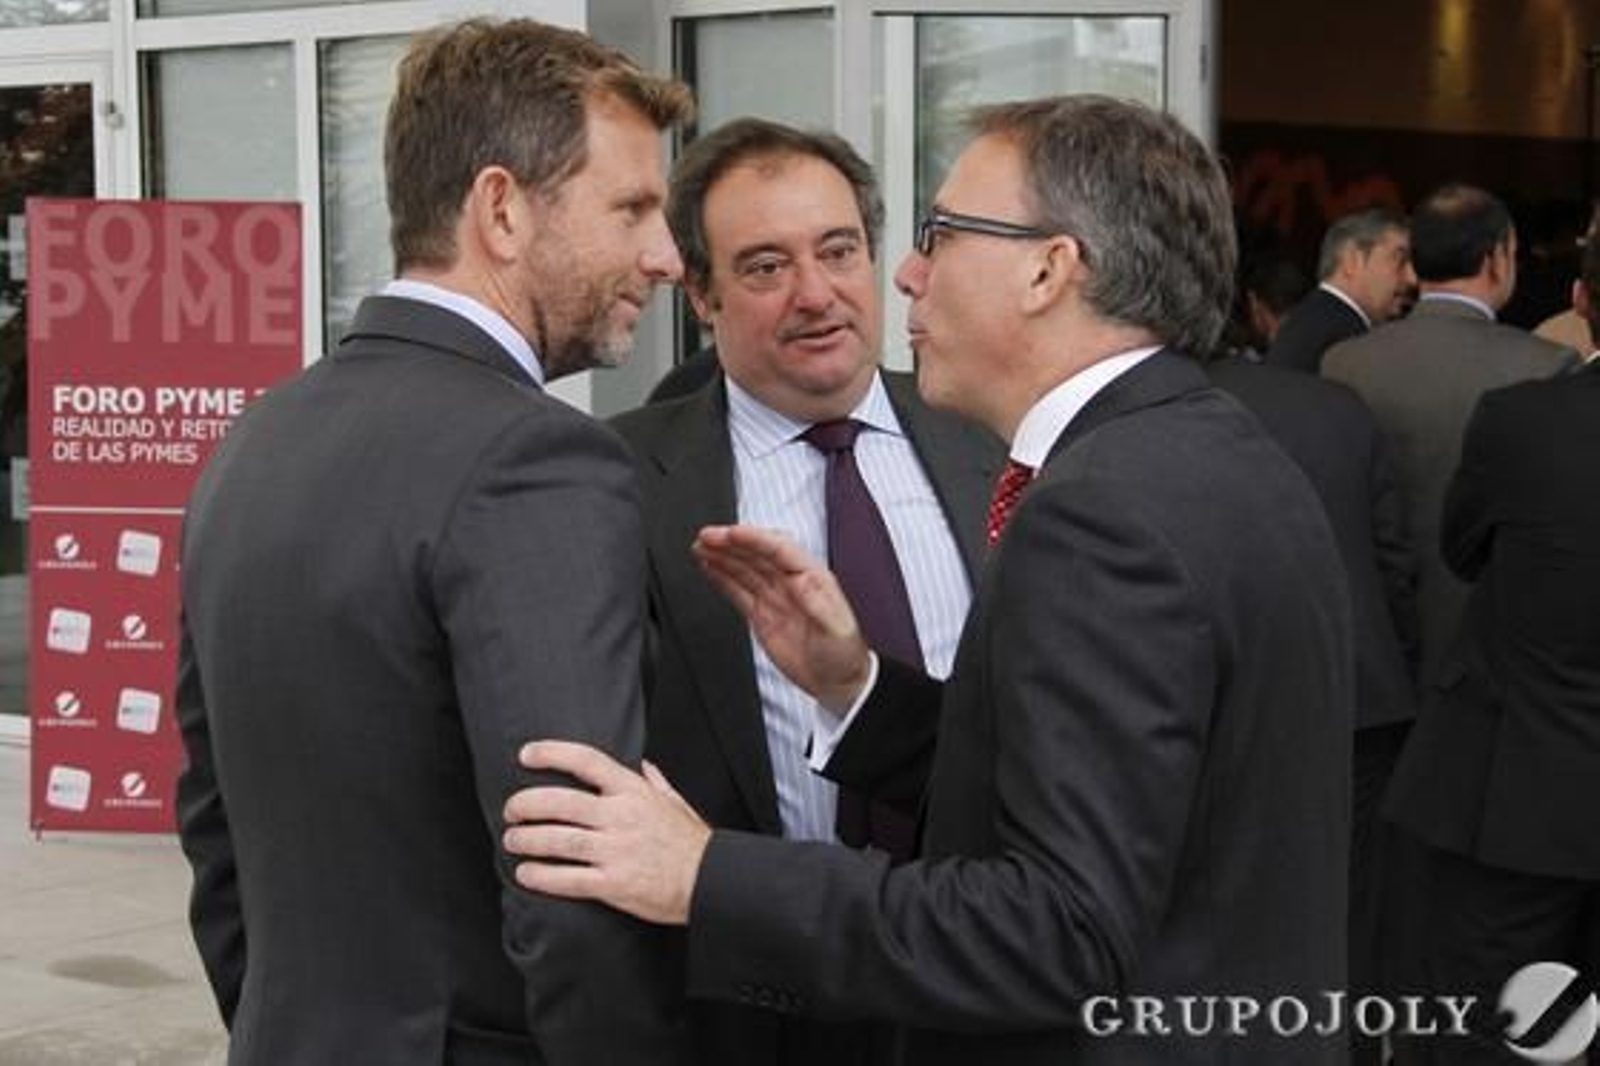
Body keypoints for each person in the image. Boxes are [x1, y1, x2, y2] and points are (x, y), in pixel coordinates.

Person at [504, 95, 1354, 1065]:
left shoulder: (1096, 510)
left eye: (941, 235)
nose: (904, 272)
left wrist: (705, 873)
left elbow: (1057, 927)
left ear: (1048, 268)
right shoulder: (1215, 451)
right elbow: (1108, 781)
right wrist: (856, 690)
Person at [174, 19, 692, 1065]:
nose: (667, 258)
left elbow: (214, 831)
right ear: (500, 209)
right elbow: (572, 878)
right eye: (631, 207)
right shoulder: (538, 460)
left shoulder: (259, 435)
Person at [610, 117, 1000, 1065]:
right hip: (746, 1006)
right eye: (765, 267)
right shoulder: (615, 478)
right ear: (699, 293)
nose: (817, 295)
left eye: (838, 251)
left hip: (979, 980)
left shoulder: (995, 444)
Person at [1380, 226, 1600, 1064]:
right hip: (1529, 779)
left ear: (1581, 303)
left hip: (1525, 788)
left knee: (1501, 1025)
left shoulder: (1524, 419)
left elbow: (1462, 550)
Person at [1205, 354, 1419, 1066]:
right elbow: (1395, 558)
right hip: (1361, 698)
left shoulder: (1157, 416)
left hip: (1225, 707)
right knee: (1348, 905)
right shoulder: (1339, 405)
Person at [1322, 184, 1580, 690]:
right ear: (1496, 260)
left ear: (1415, 264)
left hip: (1370, 636)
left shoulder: (1344, 362)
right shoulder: (1545, 366)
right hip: (1494, 641)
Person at [1264, 206, 1414, 373]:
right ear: (1352, 260)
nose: (1411, 279)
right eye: (1400, 260)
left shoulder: (1313, 320)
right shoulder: (1345, 339)